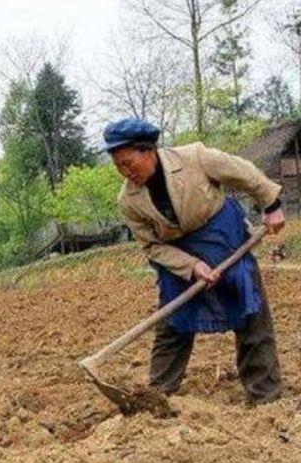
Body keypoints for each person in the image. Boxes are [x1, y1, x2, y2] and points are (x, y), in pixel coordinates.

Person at [103, 118, 285, 405]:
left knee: (250, 311)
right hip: (178, 255)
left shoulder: (195, 158)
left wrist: (272, 205)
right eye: (118, 167)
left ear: (148, 150)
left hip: (224, 240)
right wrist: (191, 267)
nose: (125, 173)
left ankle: (265, 394)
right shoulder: (129, 200)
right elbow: (152, 246)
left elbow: (244, 174)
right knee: (172, 323)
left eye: (128, 163)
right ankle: (158, 395)